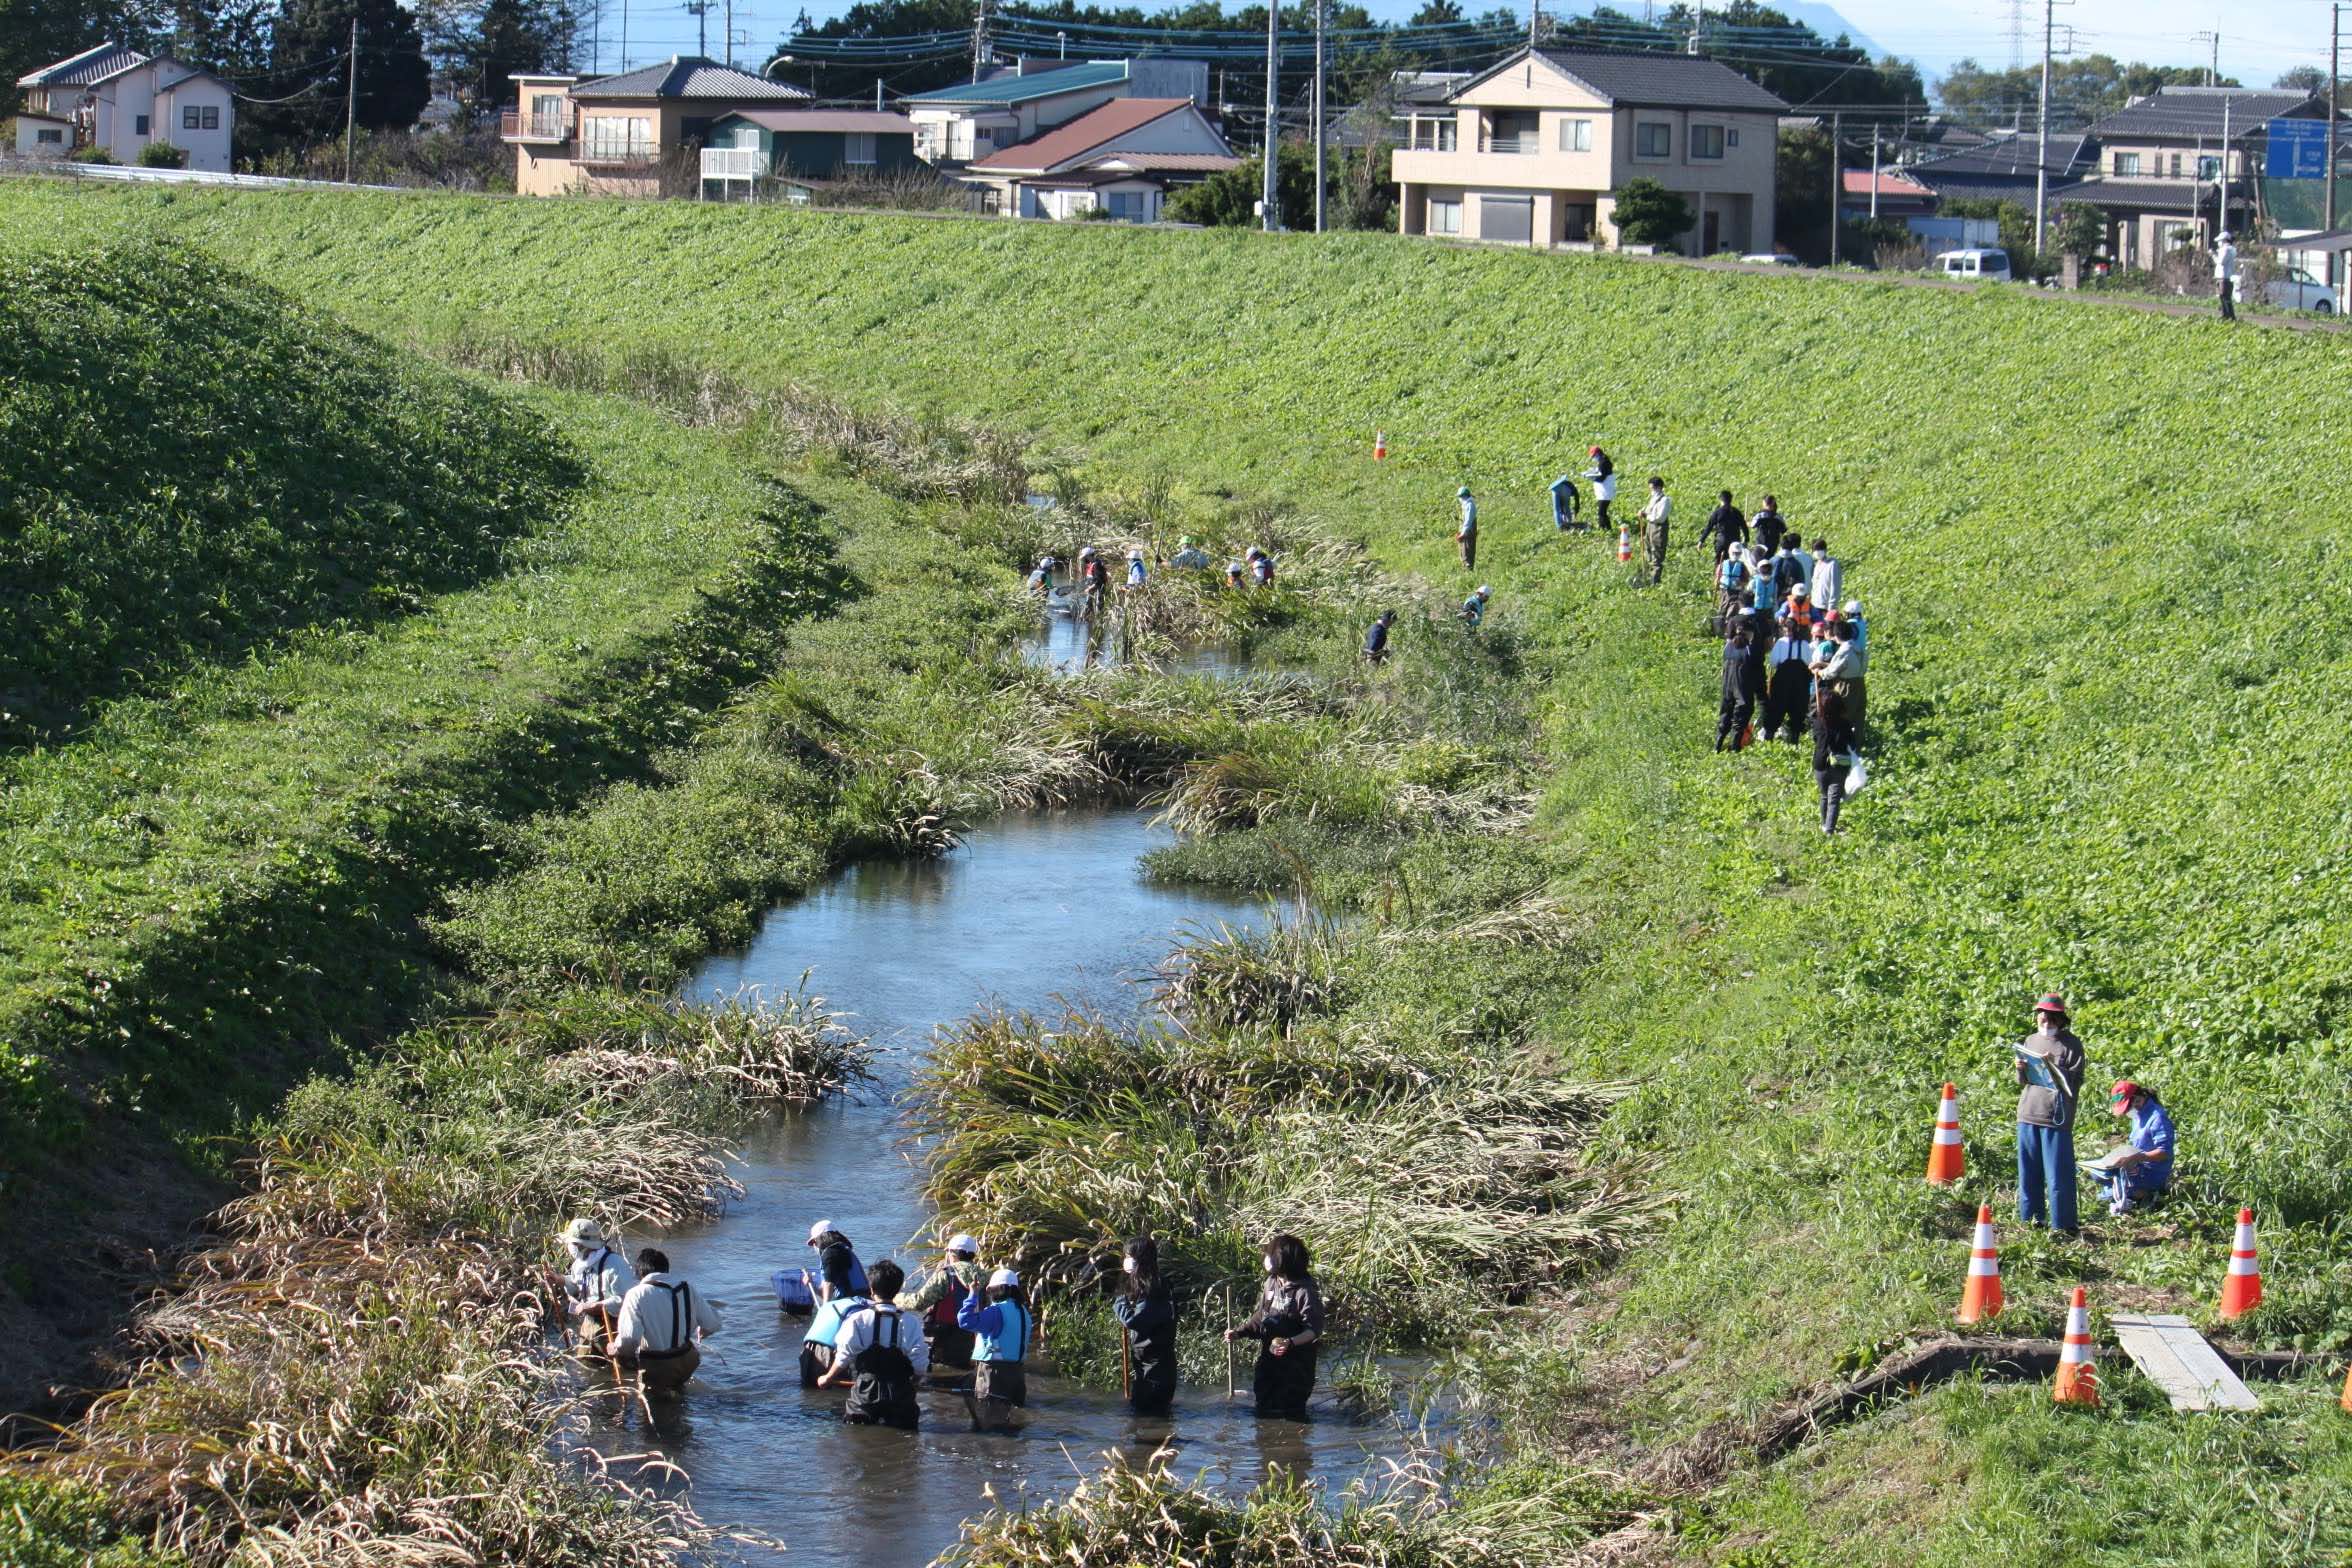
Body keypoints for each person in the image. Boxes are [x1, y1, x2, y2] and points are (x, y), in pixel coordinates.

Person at [1225, 1233, 1324, 1420]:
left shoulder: (1305, 1291)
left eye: (1271, 1253)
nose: (1267, 1257)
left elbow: (1313, 1330)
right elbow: (1262, 1315)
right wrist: (1240, 1332)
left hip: (1296, 1366)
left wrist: (1290, 1342)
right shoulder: (1271, 1282)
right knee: (1264, 1408)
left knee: (1292, 1415)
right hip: (1269, 1361)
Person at [820, 1259, 928, 1428]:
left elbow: (843, 1356)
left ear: (871, 1290)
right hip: (900, 1393)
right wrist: (915, 1381)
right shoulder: (911, 1322)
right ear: (898, 1290)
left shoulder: (857, 1320)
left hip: (865, 1394)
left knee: (858, 1437)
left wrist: (827, 1378)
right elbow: (920, 1363)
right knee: (905, 1439)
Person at [2015, 995, 2086, 1235]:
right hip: (2028, 1113)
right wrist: (2021, 1069)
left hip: (2056, 1117)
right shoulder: (2030, 1040)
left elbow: (2074, 1082)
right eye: (2041, 1015)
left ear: (2060, 1019)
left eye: (2049, 1016)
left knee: (2058, 1176)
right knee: (2029, 1172)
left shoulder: (2071, 1045)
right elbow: (2023, 1081)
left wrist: (2053, 1067)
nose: (2044, 1019)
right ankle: (2032, 1221)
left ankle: (2064, 1226)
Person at [612, 1247, 722, 1393]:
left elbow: (629, 1339)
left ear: (640, 1273)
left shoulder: (635, 1294)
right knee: (677, 1395)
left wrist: (616, 1349)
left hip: (657, 1363)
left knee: (652, 1407)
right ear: (666, 1269)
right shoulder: (686, 1287)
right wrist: (703, 1331)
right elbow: (713, 1324)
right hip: (687, 1359)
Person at [956, 1266, 1033, 1431]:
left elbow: (964, 1320)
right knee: (1010, 1422)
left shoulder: (997, 1312)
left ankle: (992, 1455)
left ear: (1001, 1289)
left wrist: (973, 1294)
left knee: (988, 1425)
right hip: (1017, 1375)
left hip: (995, 1373)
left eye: (990, 1289)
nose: (988, 1293)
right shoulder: (1024, 1312)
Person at [1111, 1235, 1178, 1416]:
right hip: (1148, 1371)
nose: (1126, 1260)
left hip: (1155, 1374)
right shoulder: (1150, 1285)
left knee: (1149, 1425)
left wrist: (1119, 1302)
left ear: (1140, 1259)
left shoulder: (1155, 1289)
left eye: (1129, 1256)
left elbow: (1134, 1321)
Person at [2086, 1081, 2176, 1216]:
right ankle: (2131, 1192)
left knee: (2105, 1197)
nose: (2128, 1111)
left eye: (2128, 1107)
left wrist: (2137, 1157)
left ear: (2138, 1097)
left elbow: (2165, 1152)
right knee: (2096, 1174)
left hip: (2151, 1171)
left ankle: (2147, 1193)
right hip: (2135, 1164)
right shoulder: (2138, 1114)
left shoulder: (2158, 1118)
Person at [908, 1232, 982, 1382]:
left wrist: (894, 1297)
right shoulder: (984, 1276)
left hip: (945, 1336)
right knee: (964, 1377)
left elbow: (918, 1302)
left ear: (952, 1253)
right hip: (972, 1339)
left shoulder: (945, 1275)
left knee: (941, 1380)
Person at [560, 1218, 637, 1356]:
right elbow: (578, 1287)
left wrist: (598, 1305)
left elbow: (627, 1301)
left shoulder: (615, 1264)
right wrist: (560, 1280)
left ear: (581, 1246)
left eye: (571, 1244)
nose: (569, 1247)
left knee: (620, 1368)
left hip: (612, 1326)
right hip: (588, 1325)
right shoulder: (579, 1264)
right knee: (585, 1366)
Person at [799, 1275, 870, 1387]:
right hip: (830, 1352)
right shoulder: (868, 1311)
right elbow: (847, 1349)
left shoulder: (832, 1304)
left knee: (810, 1393)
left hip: (808, 1351)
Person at [1810, 680, 1857, 834]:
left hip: (1820, 763)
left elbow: (1816, 739)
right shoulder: (1845, 724)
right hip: (1839, 763)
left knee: (1824, 795)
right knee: (1834, 798)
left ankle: (1824, 825)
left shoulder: (1818, 723)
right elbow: (1852, 743)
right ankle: (1829, 830)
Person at [1763, 614, 1814, 742]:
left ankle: (1772, 735)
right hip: (1795, 682)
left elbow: (1774, 662)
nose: (1789, 633)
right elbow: (1809, 662)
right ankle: (1791, 738)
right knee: (1796, 709)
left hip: (1788, 681)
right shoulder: (1804, 644)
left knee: (1779, 708)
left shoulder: (1782, 643)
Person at [1716, 624, 1762, 752]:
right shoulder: (1748, 649)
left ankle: (1718, 745)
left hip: (1727, 685)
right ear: (1748, 634)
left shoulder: (1728, 646)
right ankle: (1735, 746)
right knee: (1742, 713)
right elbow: (1754, 669)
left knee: (1725, 713)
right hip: (1741, 685)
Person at [1700, 490, 1748, 562]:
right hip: (1734, 542)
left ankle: (1718, 571)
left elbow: (1709, 527)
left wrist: (1701, 540)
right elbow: (1744, 526)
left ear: (1721, 500)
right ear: (1731, 500)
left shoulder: (1717, 512)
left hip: (1721, 542)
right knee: (1734, 562)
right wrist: (1746, 540)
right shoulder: (1736, 512)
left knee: (1719, 563)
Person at [1640, 478, 1670, 585]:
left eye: (1652, 488)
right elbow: (1648, 510)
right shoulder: (1653, 498)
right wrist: (1643, 512)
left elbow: (1660, 517)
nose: (1651, 490)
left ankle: (1655, 582)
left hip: (1659, 528)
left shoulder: (1665, 500)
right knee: (1648, 549)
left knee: (1657, 553)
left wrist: (1647, 516)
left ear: (1659, 487)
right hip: (1650, 526)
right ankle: (1648, 575)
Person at [1584, 446, 1616, 530]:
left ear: (1598, 454)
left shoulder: (1603, 462)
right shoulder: (1603, 461)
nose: (1594, 458)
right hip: (1604, 492)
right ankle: (1606, 528)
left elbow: (1602, 478)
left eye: (1594, 456)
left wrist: (1590, 477)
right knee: (1602, 512)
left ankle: (1605, 529)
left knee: (1601, 512)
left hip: (1605, 492)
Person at [1808, 539, 1841, 610]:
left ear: (1825, 550)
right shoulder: (1816, 565)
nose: (1817, 552)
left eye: (1819, 549)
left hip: (1826, 606)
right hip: (1815, 604)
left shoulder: (1832, 564)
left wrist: (1832, 606)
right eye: (1815, 550)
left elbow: (1835, 586)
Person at [2215, 230, 2238, 322]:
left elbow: (2221, 261)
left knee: (2225, 297)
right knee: (2224, 297)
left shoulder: (2226, 249)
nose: (2218, 243)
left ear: (2224, 240)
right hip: (2226, 276)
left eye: (2220, 241)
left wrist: (2213, 255)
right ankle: (2226, 315)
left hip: (2224, 277)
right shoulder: (2231, 249)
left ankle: (2229, 316)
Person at [1077, 547, 1109, 612]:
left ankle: (1097, 618)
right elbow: (1090, 577)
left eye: (1085, 557)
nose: (1084, 559)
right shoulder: (1091, 563)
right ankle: (1089, 618)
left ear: (1089, 556)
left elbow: (1098, 580)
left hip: (1098, 589)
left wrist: (1089, 588)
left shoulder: (1097, 565)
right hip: (1091, 589)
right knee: (1088, 606)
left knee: (1098, 607)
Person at [1455, 486, 1478, 571]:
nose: (1460, 499)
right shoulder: (1466, 505)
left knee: (1468, 552)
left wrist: (1463, 533)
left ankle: (1468, 570)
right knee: (1463, 552)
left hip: (1468, 533)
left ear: (1464, 496)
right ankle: (1465, 569)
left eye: (1460, 497)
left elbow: (1468, 521)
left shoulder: (1470, 505)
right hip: (1465, 532)